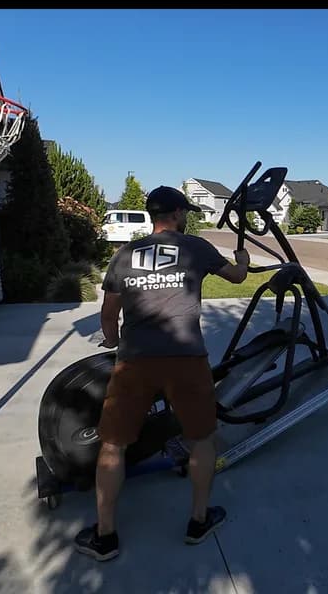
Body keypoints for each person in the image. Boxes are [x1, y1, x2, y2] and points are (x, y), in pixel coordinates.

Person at [74, 185, 250, 561]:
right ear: (178, 213)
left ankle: (105, 537)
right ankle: (198, 521)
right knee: (201, 440)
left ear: (153, 215)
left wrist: (113, 341)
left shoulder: (125, 254)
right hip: (186, 358)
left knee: (113, 444)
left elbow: (108, 315)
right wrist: (243, 259)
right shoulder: (195, 247)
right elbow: (237, 277)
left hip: (135, 360)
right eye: (185, 212)